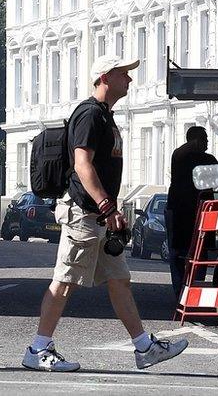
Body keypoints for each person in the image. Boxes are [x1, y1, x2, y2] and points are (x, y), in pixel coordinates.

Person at [22, 55, 188, 372]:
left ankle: (144, 348)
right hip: (82, 213)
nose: (130, 79)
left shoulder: (105, 116)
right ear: (106, 77)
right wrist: (106, 205)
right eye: (124, 73)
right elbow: (82, 164)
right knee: (65, 281)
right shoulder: (89, 114)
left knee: (119, 280)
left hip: (98, 216)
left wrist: (110, 210)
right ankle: (37, 348)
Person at [165, 126, 218, 298]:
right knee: (197, 252)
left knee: (179, 252)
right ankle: (193, 290)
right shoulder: (198, 157)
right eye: (205, 139)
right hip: (194, 212)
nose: (208, 143)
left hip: (179, 209)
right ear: (197, 140)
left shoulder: (178, 155)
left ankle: (181, 291)